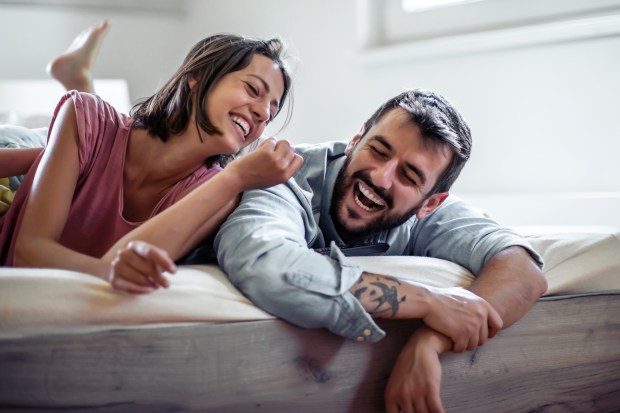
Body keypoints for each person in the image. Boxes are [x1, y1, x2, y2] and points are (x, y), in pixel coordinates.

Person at [213, 89, 548, 412]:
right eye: (379, 150)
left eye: (409, 175)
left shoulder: (432, 215)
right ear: (357, 139)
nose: (381, 177)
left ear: (430, 203)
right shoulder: (283, 175)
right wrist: (430, 301)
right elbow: (263, 262)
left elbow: (522, 270)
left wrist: (430, 341)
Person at [0, 22, 303, 294]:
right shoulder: (84, 115)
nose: (263, 113)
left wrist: (235, 178)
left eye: (271, 112)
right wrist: (105, 272)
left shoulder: (220, 192)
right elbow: (29, 253)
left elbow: (128, 261)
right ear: (197, 76)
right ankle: (76, 78)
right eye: (253, 89)